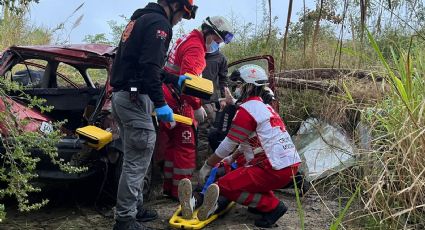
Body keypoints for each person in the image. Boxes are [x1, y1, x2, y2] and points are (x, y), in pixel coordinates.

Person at [178, 64, 302, 228]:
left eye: (238, 84)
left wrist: (208, 164)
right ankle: (266, 204)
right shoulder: (265, 108)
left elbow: (229, 143)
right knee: (237, 179)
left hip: (271, 167)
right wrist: (231, 158)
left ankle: (272, 206)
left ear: (249, 86)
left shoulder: (247, 111)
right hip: (286, 165)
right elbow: (250, 142)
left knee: (225, 185)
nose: (236, 88)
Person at [110, 1, 197, 229]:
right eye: (181, 15)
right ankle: (125, 219)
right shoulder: (160, 24)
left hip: (124, 97)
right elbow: (149, 68)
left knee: (134, 159)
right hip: (135, 100)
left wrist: (173, 79)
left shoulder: (140, 19)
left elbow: (146, 66)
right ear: (175, 5)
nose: (179, 20)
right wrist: (161, 104)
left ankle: (134, 207)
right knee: (136, 162)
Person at [160, 16, 234, 200]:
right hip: (179, 99)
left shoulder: (187, 38)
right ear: (209, 32)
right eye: (216, 40)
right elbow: (190, 84)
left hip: (168, 96)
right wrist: (197, 105)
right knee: (185, 146)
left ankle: (170, 188)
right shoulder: (195, 48)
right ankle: (182, 193)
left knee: (172, 146)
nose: (217, 44)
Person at [202, 50, 231, 125]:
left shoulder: (220, 58)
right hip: (190, 96)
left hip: (209, 99)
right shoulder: (196, 52)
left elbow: (223, 79)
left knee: (207, 125)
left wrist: (224, 98)